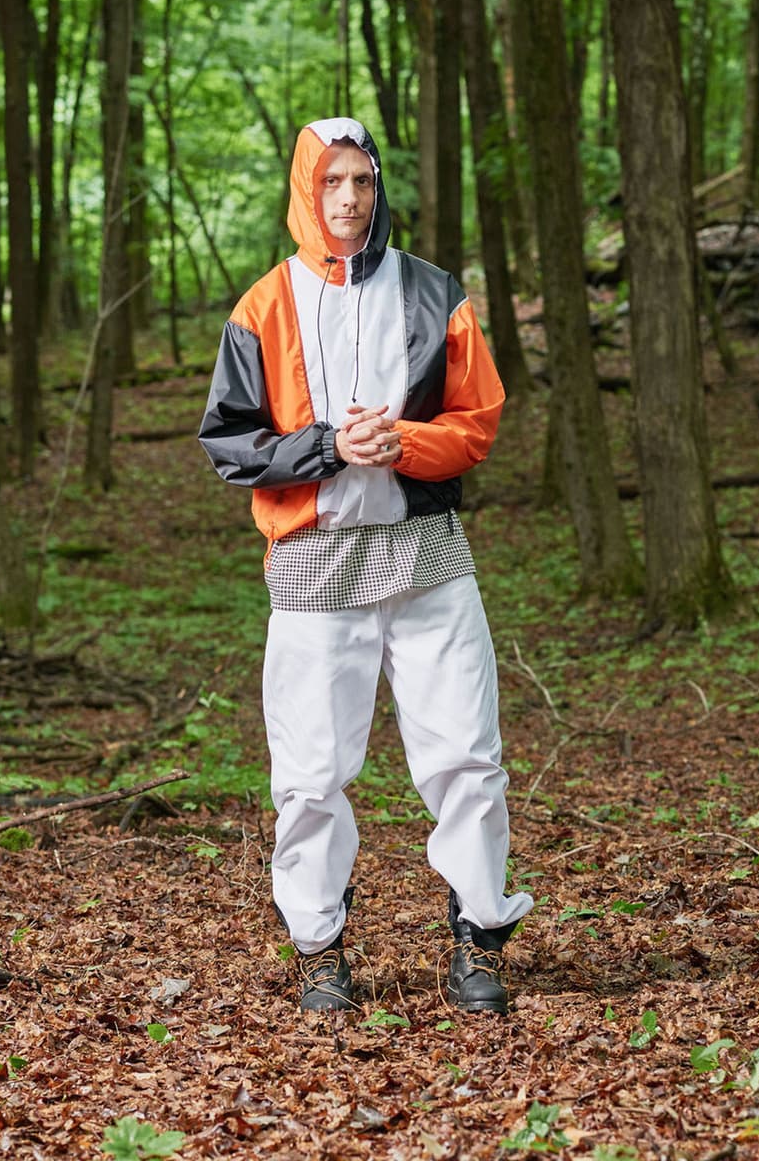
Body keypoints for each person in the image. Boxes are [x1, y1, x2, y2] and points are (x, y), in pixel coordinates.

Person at [199, 117, 533, 1015]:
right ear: (307, 190)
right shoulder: (262, 307)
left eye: (363, 181)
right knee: (311, 771)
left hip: (426, 553)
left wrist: (404, 443)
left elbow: (478, 420)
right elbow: (230, 444)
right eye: (332, 181)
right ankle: (320, 951)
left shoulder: (434, 295)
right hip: (311, 558)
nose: (350, 198)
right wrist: (326, 447)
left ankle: (478, 941)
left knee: (466, 754)